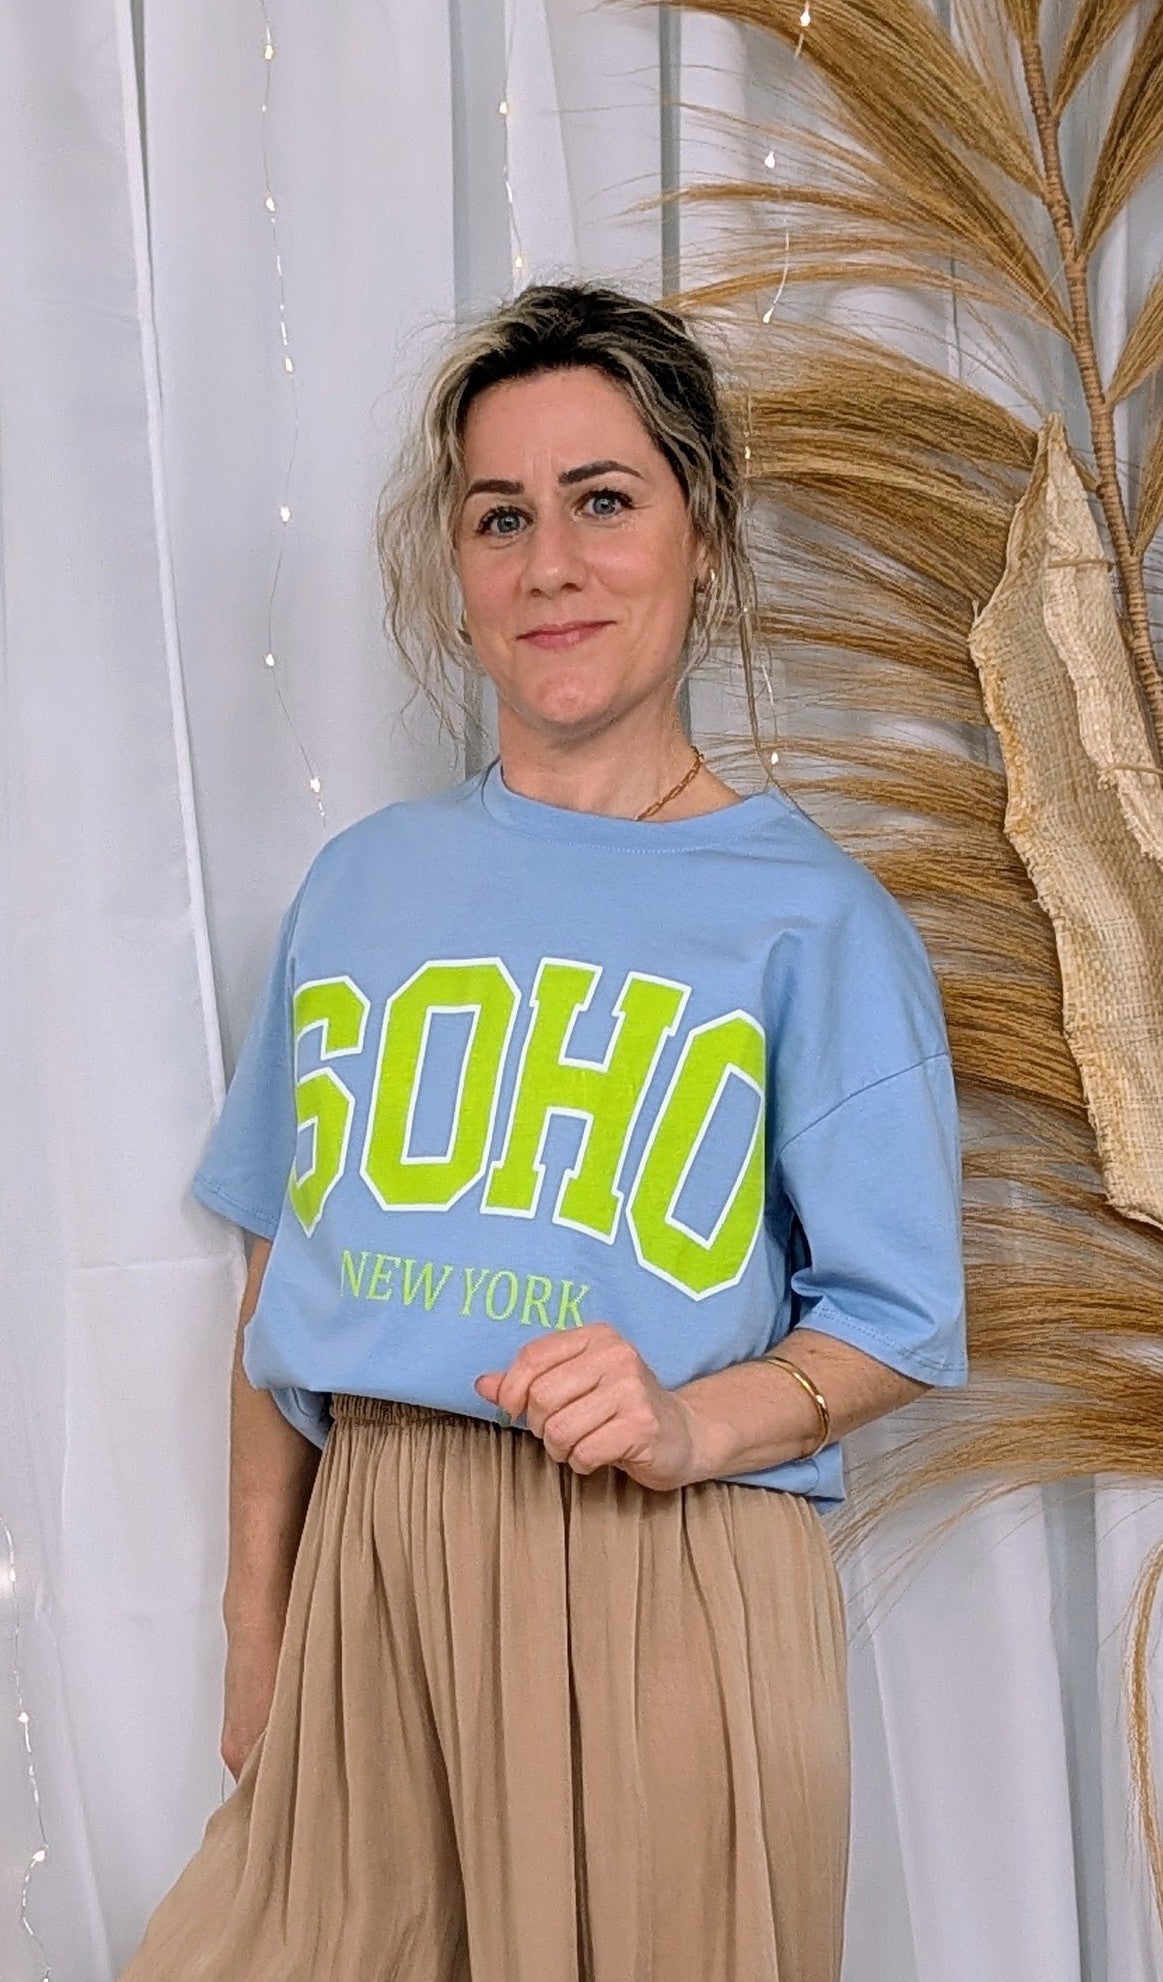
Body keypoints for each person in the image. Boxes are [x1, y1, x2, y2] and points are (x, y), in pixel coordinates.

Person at [118, 281, 968, 1982]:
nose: (550, 565)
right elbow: (282, 1278)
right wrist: (256, 1622)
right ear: (455, 564)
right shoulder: (364, 888)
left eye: (604, 500)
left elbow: (898, 1321)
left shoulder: (814, 920)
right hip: (376, 1572)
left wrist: (685, 1418)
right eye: (501, 516)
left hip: (669, 1579)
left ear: (702, 534)